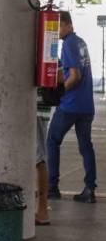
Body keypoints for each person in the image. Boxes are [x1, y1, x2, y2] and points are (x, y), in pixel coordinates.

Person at [47, 11, 97, 203]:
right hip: (86, 106)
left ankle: (52, 186)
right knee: (86, 146)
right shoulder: (81, 42)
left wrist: (60, 92)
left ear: (68, 25)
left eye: (58, 27)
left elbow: (75, 75)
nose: (57, 31)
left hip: (71, 105)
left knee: (52, 141)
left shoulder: (68, 44)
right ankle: (89, 189)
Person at [35, 89, 52, 225]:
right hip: (35, 109)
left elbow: (60, 77)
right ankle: (40, 209)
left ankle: (42, 211)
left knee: (39, 159)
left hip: (36, 111)